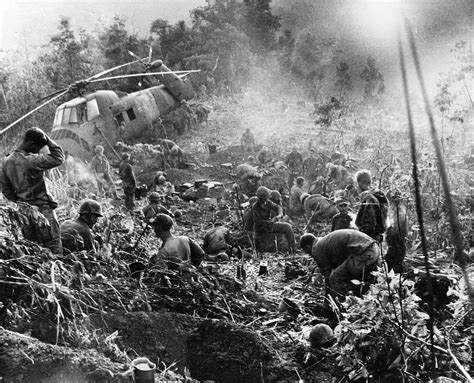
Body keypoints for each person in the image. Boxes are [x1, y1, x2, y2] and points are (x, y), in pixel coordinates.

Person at [1, 127, 64, 254]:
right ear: (31, 144)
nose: (37, 151)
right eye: (37, 148)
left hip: (24, 214)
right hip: (43, 210)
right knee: (55, 250)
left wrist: (22, 202)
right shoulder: (32, 160)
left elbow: (7, 191)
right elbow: (58, 158)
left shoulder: (4, 162)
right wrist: (47, 138)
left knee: (33, 251)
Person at [300, 229, 380, 298]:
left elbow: (328, 277)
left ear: (307, 247)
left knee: (335, 277)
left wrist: (327, 300)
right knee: (360, 280)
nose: (309, 254)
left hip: (363, 252)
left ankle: (340, 308)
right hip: (374, 248)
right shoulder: (324, 242)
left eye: (306, 251)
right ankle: (360, 306)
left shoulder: (316, 249)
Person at [252, 186, 296, 254]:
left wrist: (279, 215)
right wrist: (271, 221)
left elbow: (278, 207)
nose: (265, 199)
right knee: (287, 226)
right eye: (264, 198)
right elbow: (258, 222)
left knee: (287, 226)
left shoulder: (268, 203)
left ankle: (292, 248)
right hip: (261, 229)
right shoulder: (255, 207)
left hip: (270, 225)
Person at [354, 170, 388, 242]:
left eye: (358, 183)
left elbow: (369, 221)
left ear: (361, 183)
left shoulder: (369, 197)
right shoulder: (379, 194)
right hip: (377, 234)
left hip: (369, 237)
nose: (358, 187)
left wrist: (364, 235)